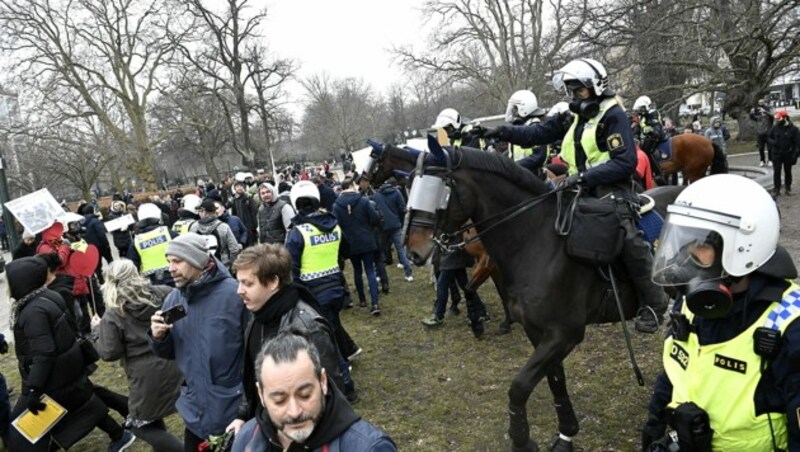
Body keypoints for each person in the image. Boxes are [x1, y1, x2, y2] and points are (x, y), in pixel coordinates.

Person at [482, 57, 668, 333]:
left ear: (596, 87)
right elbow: (538, 133)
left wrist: (581, 177)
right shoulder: (574, 115)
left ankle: (654, 303)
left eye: (579, 90)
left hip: (612, 189)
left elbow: (624, 162)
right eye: (570, 91)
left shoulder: (613, 115)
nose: (574, 96)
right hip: (578, 189)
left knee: (627, 236)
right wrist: (503, 132)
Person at [642, 174, 800, 451]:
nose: (690, 253)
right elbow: (674, 369)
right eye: (686, 240)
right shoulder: (694, 302)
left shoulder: (788, 322)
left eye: (702, 244)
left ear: (743, 248)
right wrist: (654, 423)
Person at [6, 256, 135, 452]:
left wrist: (34, 388)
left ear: (20, 282)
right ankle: (119, 433)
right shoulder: (46, 296)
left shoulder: (33, 311)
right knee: (84, 402)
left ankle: (119, 432)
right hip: (67, 367)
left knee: (22, 430)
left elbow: (44, 351)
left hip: (52, 375)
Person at [225, 243, 355, 436]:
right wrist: (243, 415)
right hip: (270, 428)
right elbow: (255, 375)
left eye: (248, 283)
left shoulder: (308, 326)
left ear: (273, 282)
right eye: (239, 282)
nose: (239, 291)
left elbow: (330, 392)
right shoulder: (257, 316)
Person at [148, 233, 248, 451]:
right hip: (195, 414)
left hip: (234, 412)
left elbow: (258, 353)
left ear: (198, 261)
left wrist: (246, 408)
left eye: (177, 261)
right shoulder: (173, 300)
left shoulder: (235, 295)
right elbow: (169, 352)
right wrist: (159, 337)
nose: (170, 268)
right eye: (168, 261)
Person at [231, 332, 397, 452]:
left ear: (323, 381)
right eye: (280, 400)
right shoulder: (246, 438)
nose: (295, 412)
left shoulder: (368, 448)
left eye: (305, 395)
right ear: (261, 395)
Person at [92, 259, 183, 452]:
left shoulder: (115, 314)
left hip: (145, 377)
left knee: (138, 424)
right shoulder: (163, 293)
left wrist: (97, 330)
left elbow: (109, 353)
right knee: (151, 418)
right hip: (173, 363)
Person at [285, 181, 361, 374]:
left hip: (313, 292)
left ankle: (344, 375)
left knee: (326, 336)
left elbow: (291, 265)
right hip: (337, 286)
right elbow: (346, 250)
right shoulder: (334, 226)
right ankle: (349, 352)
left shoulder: (298, 232)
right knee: (333, 325)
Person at [333, 178, 382, 316]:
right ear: (352, 186)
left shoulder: (337, 205)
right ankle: (375, 302)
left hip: (350, 242)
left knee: (357, 271)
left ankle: (362, 299)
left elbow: (336, 225)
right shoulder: (364, 201)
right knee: (370, 271)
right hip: (366, 239)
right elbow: (374, 218)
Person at [371, 178, 414, 281]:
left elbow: (375, 210)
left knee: (379, 251)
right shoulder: (397, 192)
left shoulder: (376, 195)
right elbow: (402, 207)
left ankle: (377, 274)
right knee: (401, 250)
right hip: (395, 225)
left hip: (382, 227)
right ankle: (408, 274)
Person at [128, 203, 177, 286]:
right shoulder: (168, 233)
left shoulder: (136, 241)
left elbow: (132, 267)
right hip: (173, 276)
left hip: (151, 283)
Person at [189, 198, 240, 268]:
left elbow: (191, 249)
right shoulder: (223, 227)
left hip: (201, 269)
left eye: (199, 211)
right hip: (222, 268)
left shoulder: (194, 227)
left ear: (203, 212)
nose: (199, 213)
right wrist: (231, 266)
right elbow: (234, 249)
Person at [768, 110, 800, 197]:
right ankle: (777, 189)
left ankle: (788, 187)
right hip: (776, 154)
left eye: (779, 119)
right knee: (777, 171)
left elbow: (798, 144)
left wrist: (795, 155)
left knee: (788, 171)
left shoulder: (794, 129)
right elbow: (769, 138)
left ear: (785, 118)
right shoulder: (775, 128)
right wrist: (774, 142)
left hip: (788, 154)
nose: (777, 121)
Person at [229, 179, 259, 246]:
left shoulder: (248, 198)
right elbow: (234, 214)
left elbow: (254, 212)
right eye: (237, 187)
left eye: (241, 186)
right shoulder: (234, 200)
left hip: (249, 227)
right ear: (235, 189)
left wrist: (254, 226)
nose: (239, 188)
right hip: (240, 227)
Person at [750, 98, 774, 167]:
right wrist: (751, 113)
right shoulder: (758, 118)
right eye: (761, 112)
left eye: (762, 102)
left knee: (770, 148)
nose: (762, 113)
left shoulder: (769, 118)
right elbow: (752, 117)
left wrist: (766, 112)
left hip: (768, 133)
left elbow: (773, 116)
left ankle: (770, 160)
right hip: (760, 133)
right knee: (761, 148)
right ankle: (762, 160)